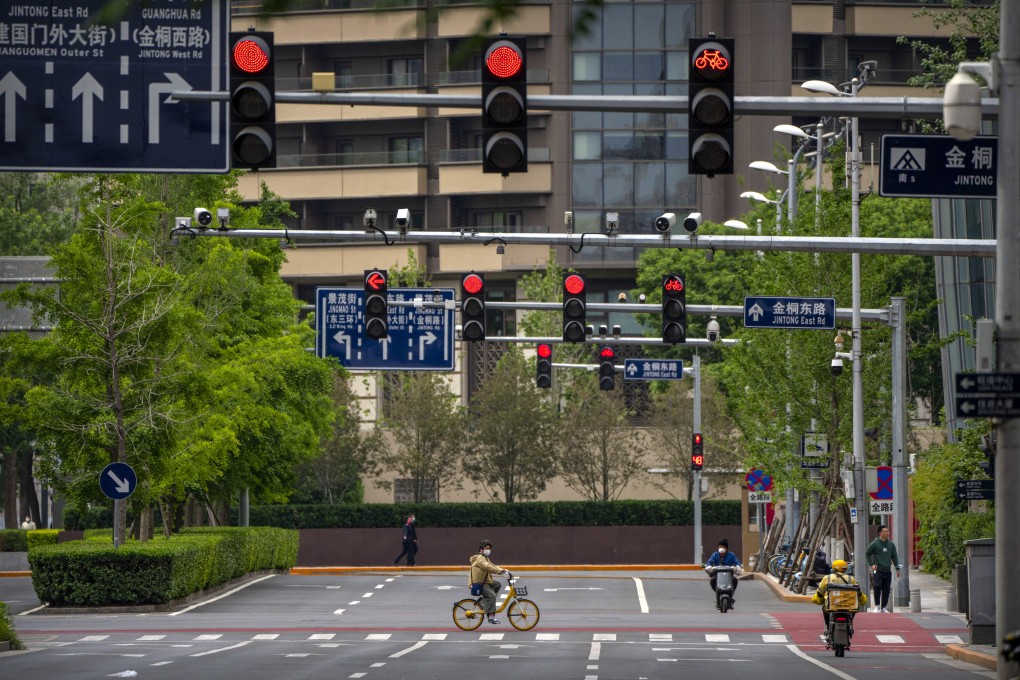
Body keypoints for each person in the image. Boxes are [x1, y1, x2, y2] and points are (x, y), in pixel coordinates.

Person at [812, 559, 868, 638]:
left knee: (825, 609)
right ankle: (849, 626)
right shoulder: (850, 579)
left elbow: (820, 592)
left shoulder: (827, 578)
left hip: (832, 605)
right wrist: (863, 600)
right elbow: (858, 592)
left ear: (833, 568)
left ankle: (828, 628)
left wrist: (817, 599)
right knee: (853, 611)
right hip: (847, 606)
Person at [469, 539, 509, 625]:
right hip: (478, 583)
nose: (488, 550)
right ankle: (491, 617)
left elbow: (492, 565)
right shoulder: (480, 559)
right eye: (486, 548)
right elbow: (487, 567)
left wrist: (503, 570)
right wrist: (500, 572)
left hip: (485, 582)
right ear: (481, 550)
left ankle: (486, 601)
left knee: (497, 584)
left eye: (489, 549)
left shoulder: (485, 558)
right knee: (492, 596)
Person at [865, 524, 901, 613]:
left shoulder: (891, 544)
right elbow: (867, 554)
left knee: (886, 589)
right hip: (877, 570)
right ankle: (877, 606)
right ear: (880, 533)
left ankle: (884, 607)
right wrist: (872, 564)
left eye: (888, 531)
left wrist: (897, 568)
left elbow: (895, 557)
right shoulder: (875, 543)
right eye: (886, 531)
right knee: (877, 586)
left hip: (887, 570)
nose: (888, 533)